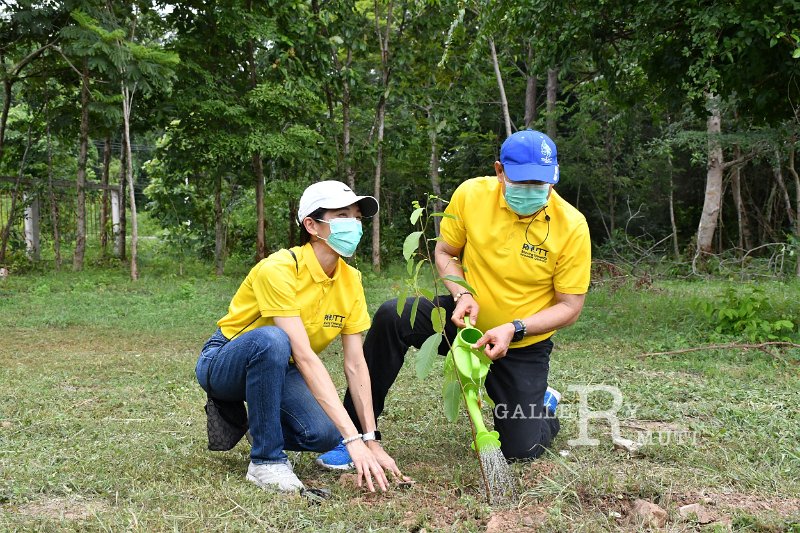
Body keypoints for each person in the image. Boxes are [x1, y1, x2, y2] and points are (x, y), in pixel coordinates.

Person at [317, 130, 591, 467]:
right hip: (465, 320)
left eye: (542, 183)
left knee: (520, 451)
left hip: (520, 341)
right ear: (499, 171)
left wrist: (514, 328)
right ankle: (356, 433)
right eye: (523, 182)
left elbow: (570, 307)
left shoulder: (572, 226)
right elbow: (446, 252)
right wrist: (461, 295)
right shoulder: (471, 196)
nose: (534, 190)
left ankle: (543, 407)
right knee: (392, 316)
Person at [195, 180, 406, 493]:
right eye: (343, 215)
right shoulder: (279, 268)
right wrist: (352, 440)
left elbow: (356, 364)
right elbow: (305, 355)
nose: (355, 225)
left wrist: (368, 439)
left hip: (282, 367)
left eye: (358, 217)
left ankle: (261, 427)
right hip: (224, 360)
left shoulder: (351, 280)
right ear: (312, 225)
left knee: (322, 434)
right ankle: (266, 461)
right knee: (272, 339)